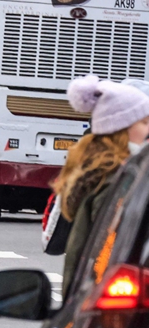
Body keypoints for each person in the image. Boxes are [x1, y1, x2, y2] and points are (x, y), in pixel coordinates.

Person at [58, 76, 149, 287]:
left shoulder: (100, 172)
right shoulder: (117, 180)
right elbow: (112, 247)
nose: (147, 130)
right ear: (122, 129)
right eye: (144, 123)